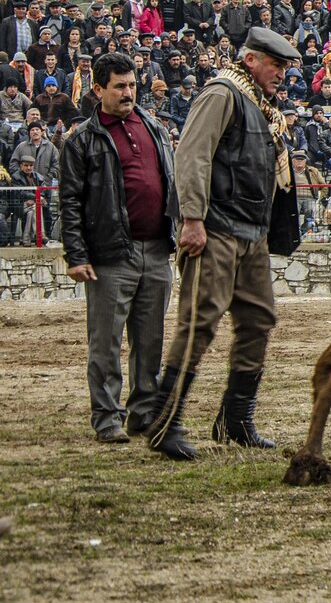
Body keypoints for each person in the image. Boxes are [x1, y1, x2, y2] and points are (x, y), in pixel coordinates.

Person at [147, 27, 301, 460]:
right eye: (275, 65)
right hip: (215, 228)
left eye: (284, 67)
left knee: (259, 319)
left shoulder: (259, 105)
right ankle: (164, 421)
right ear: (251, 60)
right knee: (199, 321)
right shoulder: (222, 94)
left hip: (250, 232)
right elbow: (192, 155)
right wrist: (192, 218)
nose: (281, 74)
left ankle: (235, 420)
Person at [58, 52, 180, 443]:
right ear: (98, 89)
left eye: (132, 85)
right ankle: (108, 417)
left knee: (151, 341)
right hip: (110, 254)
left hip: (157, 249)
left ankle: (143, 414)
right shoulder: (81, 139)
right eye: (119, 86)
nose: (128, 93)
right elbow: (69, 201)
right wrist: (76, 255)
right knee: (106, 343)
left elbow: (171, 182)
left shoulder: (154, 127)